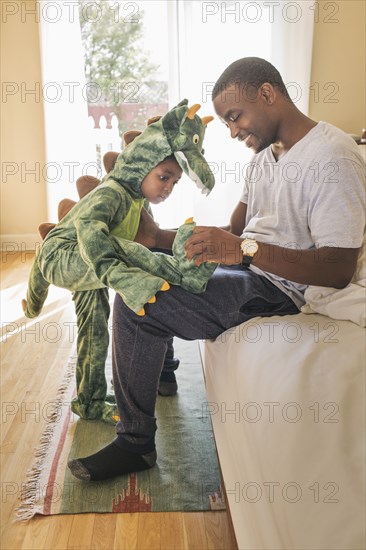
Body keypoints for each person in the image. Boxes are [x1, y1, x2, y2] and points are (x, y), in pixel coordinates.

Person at [68, 57, 365, 481]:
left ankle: (135, 444)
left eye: (234, 116)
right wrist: (159, 239)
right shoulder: (265, 159)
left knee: (136, 299)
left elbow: (337, 268)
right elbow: (235, 232)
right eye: (227, 121)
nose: (232, 131)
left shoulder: (333, 156)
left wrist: (241, 250)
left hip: (281, 289)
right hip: (253, 270)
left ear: (267, 93)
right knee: (147, 264)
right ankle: (164, 373)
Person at [22, 100, 216, 424]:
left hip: (88, 264)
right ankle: (184, 277)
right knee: (125, 251)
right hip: (63, 255)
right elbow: (89, 231)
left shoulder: (138, 201)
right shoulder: (112, 192)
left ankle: (89, 400)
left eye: (174, 182)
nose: (167, 188)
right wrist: (120, 275)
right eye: (164, 177)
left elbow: (150, 240)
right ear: (143, 165)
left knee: (94, 329)